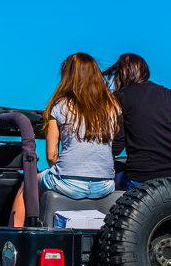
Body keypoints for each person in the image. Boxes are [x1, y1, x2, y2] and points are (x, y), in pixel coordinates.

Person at [9, 52, 120, 226]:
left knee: (27, 184)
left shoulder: (59, 105)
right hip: (105, 185)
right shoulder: (111, 107)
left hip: (69, 182)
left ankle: (14, 238)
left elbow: (52, 156)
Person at [103, 53, 171, 189]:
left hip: (139, 178)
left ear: (122, 74)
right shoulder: (170, 95)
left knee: (114, 182)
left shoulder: (119, 98)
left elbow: (117, 146)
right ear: (145, 72)